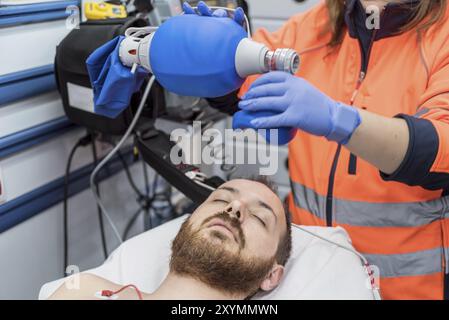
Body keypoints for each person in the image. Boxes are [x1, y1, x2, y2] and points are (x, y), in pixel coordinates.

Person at [189, 0, 449, 299]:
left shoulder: (441, 35)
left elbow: (439, 148)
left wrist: (338, 120)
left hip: (408, 288)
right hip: (311, 278)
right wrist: (216, 50)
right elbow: (238, 87)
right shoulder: (318, 25)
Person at [49, 178, 292, 300]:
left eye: (260, 218)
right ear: (184, 226)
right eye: (220, 200)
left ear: (271, 275)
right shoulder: (83, 290)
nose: (234, 207)